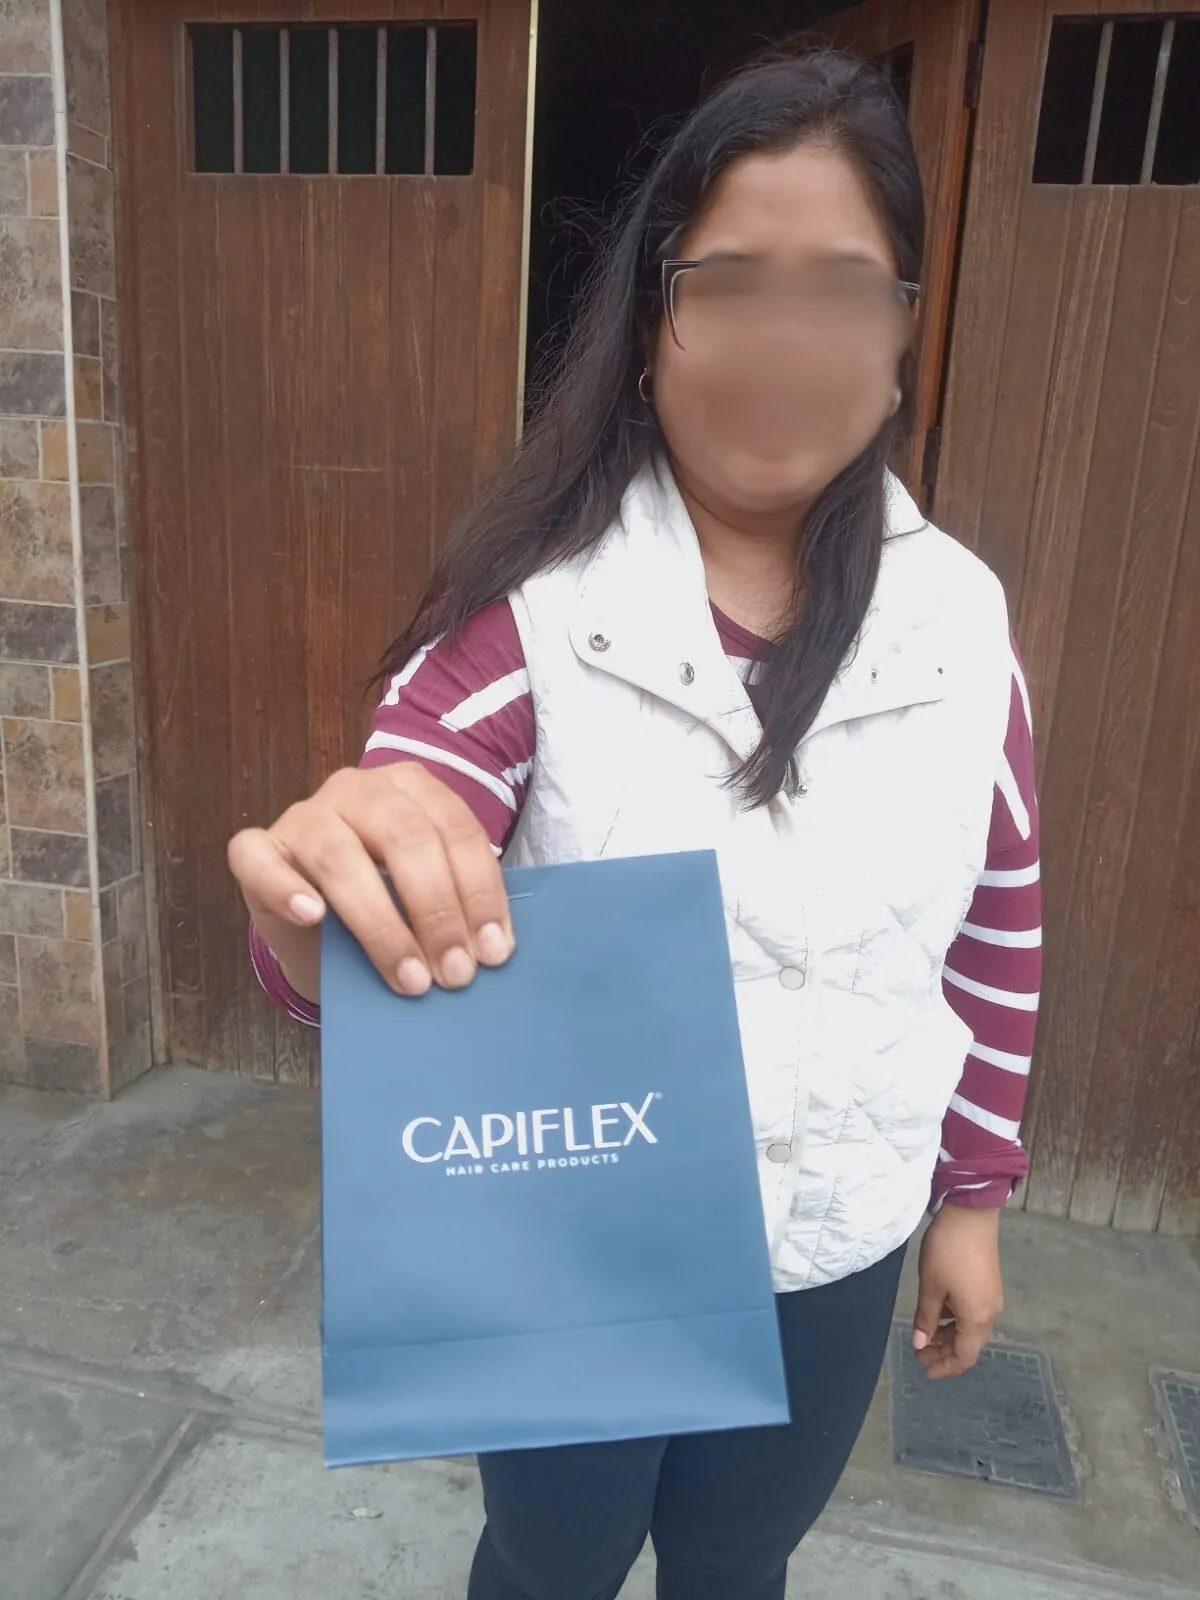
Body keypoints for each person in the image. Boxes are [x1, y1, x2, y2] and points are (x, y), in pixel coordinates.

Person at [228, 48, 1041, 1600]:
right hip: (577, 1248)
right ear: (654, 320)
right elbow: (396, 851)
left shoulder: (964, 624)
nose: (784, 341)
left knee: (740, 1560)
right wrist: (322, 905)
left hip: (837, 1235)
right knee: (556, 1560)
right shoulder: (527, 628)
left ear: (901, 334)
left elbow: (1000, 921)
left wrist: (975, 1200)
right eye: (732, 284)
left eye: (841, 289)